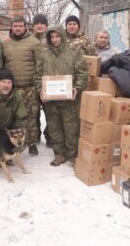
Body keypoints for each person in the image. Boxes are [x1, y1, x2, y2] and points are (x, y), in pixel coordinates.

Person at [33, 26, 88, 166]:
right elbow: (38, 75)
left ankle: (73, 154)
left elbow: (82, 73)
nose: (55, 40)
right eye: (52, 37)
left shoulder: (74, 53)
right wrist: (41, 90)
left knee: (72, 127)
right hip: (51, 100)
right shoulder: (44, 54)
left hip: (70, 99)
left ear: (62, 37)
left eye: (57, 36)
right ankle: (59, 153)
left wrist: (77, 88)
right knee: (54, 127)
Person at [2, 17, 42, 156]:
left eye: (20, 26)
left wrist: (38, 85)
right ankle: (15, 143)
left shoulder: (34, 42)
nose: (18, 28)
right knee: (13, 117)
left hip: (29, 87)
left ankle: (32, 143)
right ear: (11, 27)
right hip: (11, 89)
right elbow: (3, 64)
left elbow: (40, 64)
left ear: (25, 27)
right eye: (15, 26)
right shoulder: (5, 44)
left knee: (31, 117)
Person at [32, 13, 51, 147]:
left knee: (50, 111)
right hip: (32, 80)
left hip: (49, 80)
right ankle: (35, 136)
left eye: (42, 23)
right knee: (34, 112)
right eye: (36, 23)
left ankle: (50, 136)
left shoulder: (52, 39)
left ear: (46, 25)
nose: (39, 25)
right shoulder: (29, 39)